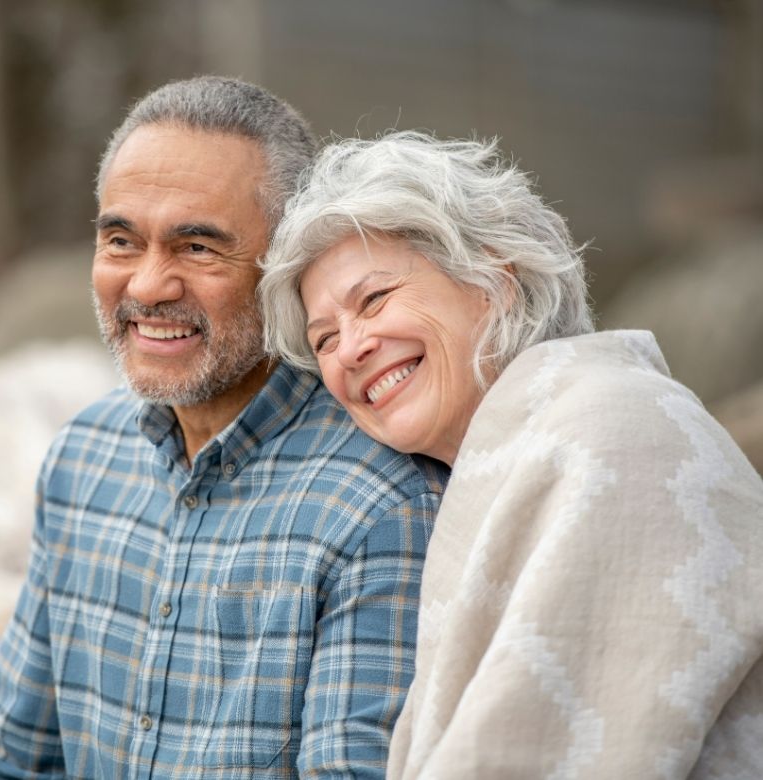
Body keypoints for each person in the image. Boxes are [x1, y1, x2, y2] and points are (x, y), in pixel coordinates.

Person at [259, 131, 763, 779]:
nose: (350, 348)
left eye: (375, 299)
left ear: (495, 278)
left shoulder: (614, 431)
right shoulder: (499, 457)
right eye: (323, 338)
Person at [0, 80, 448, 779]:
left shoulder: (380, 503)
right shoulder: (83, 457)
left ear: (288, 266)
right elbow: (14, 753)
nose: (145, 287)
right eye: (120, 240)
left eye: (197, 247)